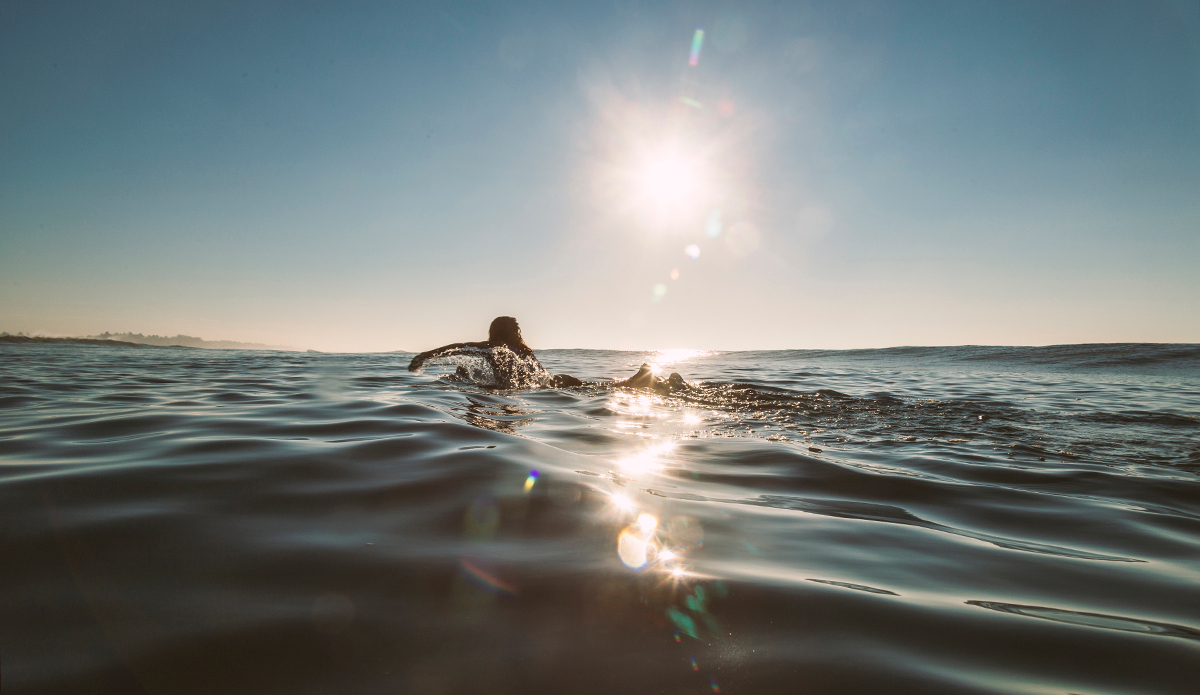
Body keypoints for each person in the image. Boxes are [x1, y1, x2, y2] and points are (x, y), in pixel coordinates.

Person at [408, 316, 688, 393]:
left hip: (543, 388)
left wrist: (423, 357)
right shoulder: (523, 352)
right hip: (556, 381)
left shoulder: (494, 348)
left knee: (601, 389)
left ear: (494, 332)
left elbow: (457, 348)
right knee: (600, 388)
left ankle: (638, 382)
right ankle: (639, 380)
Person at [408, 316, 582, 388]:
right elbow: (461, 347)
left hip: (512, 390)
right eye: (515, 330)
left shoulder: (505, 349)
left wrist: (425, 356)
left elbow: (459, 347)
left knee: (463, 370)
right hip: (529, 390)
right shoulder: (513, 350)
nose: (518, 333)